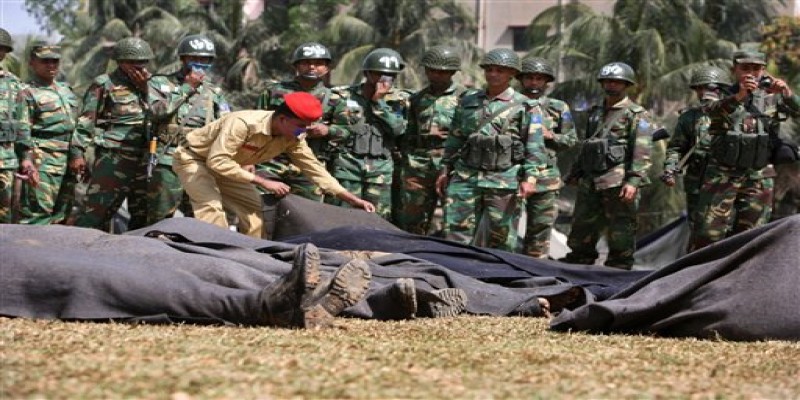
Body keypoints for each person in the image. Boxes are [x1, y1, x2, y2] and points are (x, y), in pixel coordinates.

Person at [172, 91, 375, 237]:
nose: (304, 131)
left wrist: (351, 199)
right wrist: (263, 181)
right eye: (301, 126)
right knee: (211, 207)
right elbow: (216, 161)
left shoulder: (292, 137)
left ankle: (250, 258)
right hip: (195, 159)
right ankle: (214, 257)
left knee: (255, 211)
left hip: (229, 167)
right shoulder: (243, 124)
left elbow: (314, 169)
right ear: (283, 119)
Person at [435, 48, 546, 252]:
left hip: (504, 179)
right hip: (466, 175)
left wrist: (530, 178)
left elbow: (534, 144)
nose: (493, 74)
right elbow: (455, 138)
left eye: (500, 71)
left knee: (501, 237)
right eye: (489, 70)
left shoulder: (526, 106)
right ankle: (453, 276)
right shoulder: (468, 100)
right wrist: (444, 169)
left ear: (512, 74)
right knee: (455, 233)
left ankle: (497, 279)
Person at [690, 50, 800, 251]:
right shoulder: (720, 93)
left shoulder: (772, 97)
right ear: (735, 70)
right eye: (745, 68)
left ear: (764, 71)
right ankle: (696, 278)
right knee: (708, 234)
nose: (751, 73)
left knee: (752, 235)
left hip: (757, 175)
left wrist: (787, 93)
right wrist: (740, 96)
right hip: (723, 174)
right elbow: (711, 112)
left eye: (756, 68)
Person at [560, 62, 654, 269]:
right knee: (582, 225)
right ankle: (579, 261)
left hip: (617, 180)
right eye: (608, 81)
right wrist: (575, 172)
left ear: (626, 84)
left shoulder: (636, 114)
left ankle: (618, 267)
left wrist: (633, 181)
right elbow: (589, 145)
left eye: (616, 82)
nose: (611, 85)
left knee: (621, 229)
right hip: (591, 179)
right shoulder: (595, 112)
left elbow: (642, 150)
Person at [70, 37, 155, 231]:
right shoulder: (105, 84)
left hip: (145, 161)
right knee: (96, 214)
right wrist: (77, 153)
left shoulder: (154, 86)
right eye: (133, 63)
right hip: (114, 159)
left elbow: (163, 112)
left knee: (143, 219)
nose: (139, 67)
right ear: (120, 62)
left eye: (143, 63)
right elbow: (86, 122)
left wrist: (146, 89)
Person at [146, 34, 231, 225]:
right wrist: (187, 87)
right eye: (194, 59)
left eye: (205, 60)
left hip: (199, 162)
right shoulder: (160, 83)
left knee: (203, 219)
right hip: (167, 160)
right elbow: (156, 112)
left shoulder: (213, 93)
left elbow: (226, 126)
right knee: (159, 218)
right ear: (183, 59)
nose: (199, 64)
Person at [327, 48, 408, 220]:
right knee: (342, 217)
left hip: (380, 170)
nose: (384, 80)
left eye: (390, 75)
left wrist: (379, 103)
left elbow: (398, 130)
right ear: (367, 73)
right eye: (379, 74)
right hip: (347, 166)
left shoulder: (400, 100)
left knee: (378, 219)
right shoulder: (342, 95)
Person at [254, 42, 338, 202]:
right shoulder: (274, 91)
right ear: (296, 66)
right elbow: (258, 121)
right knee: (261, 208)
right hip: (271, 160)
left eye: (319, 63)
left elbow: (347, 130)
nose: (312, 67)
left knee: (308, 216)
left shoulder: (335, 98)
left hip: (309, 164)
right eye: (306, 63)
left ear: (327, 68)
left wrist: (327, 130)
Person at [395, 45, 466, 235]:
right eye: (432, 70)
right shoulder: (418, 99)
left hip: (450, 162)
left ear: (452, 72)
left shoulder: (465, 98)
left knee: (454, 220)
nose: (436, 75)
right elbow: (409, 132)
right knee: (412, 218)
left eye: (442, 72)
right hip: (419, 163)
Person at [516, 56, 578, 258]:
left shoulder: (558, 108)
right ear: (521, 79)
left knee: (540, 232)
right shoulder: (510, 105)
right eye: (529, 78)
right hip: (512, 175)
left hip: (546, 178)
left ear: (546, 81)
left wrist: (549, 135)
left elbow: (571, 140)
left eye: (539, 79)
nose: (534, 83)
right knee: (504, 230)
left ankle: (535, 274)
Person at [661, 66, 731, 239]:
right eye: (699, 88)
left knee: (729, 231)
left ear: (720, 89)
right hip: (697, 183)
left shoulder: (737, 114)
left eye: (709, 88)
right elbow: (676, 148)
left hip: (728, 184)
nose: (703, 93)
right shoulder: (689, 117)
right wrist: (670, 168)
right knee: (699, 231)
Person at [15, 42, 80, 225]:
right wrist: (27, 160)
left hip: (68, 159)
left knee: (62, 215)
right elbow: (22, 128)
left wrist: (79, 154)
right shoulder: (27, 92)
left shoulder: (66, 91)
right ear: (32, 63)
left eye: (55, 61)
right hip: (42, 159)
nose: (51, 65)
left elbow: (77, 125)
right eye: (45, 61)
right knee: (38, 216)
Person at [0, 27, 36, 223]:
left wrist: (27, 157)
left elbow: (22, 125)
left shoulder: (14, 85)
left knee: (4, 219)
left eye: (0, 48)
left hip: (4, 162)